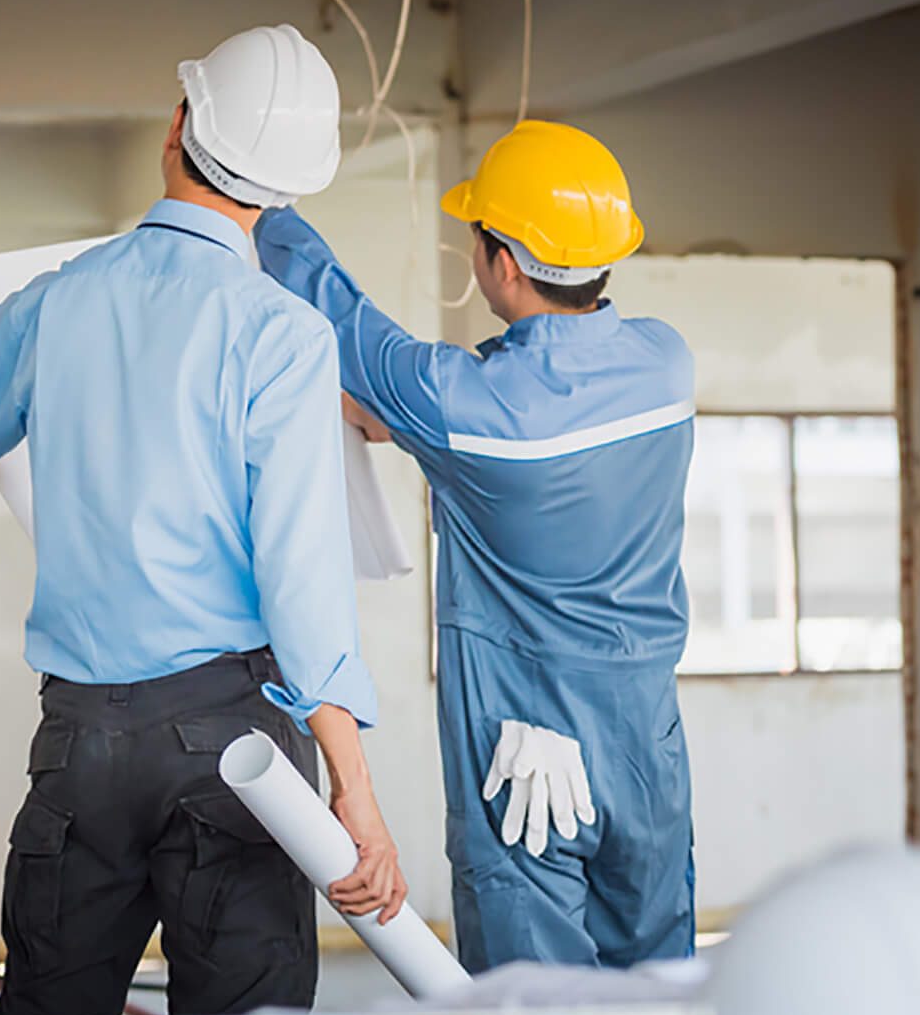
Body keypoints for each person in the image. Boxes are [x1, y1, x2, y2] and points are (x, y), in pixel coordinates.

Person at [0, 23, 404, 1015]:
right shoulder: (283, 336)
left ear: (177, 125)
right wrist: (356, 792)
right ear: (287, 190)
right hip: (234, 747)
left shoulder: (56, 304)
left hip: (81, 739)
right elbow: (303, 579)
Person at [255, 119, 693, 971]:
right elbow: (500, 405)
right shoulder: (664, 365)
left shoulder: (464, 406)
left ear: (502, 261)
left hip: (527, 746)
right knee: (659, 998)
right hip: (648, 743)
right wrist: (405, 424)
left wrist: (264, 205)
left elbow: (346, 322)